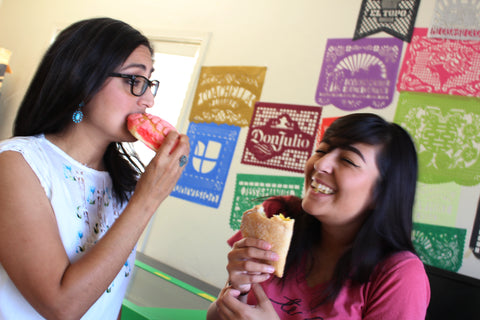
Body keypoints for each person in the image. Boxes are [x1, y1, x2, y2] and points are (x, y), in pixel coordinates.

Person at [0, 17, 190, 319]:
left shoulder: (121, 181)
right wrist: (148, 199)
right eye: (134, 81)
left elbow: (107, 297)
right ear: (83, 81)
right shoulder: (17, 163)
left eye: (150, 83)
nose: (149, 100)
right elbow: (61, 307)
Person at [207, 113, 430, 319]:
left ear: (382, 193)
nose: (321, 164)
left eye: (348, 161)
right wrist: (237, 288)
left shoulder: (400, 276)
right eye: (322, 150)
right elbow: (214, 316)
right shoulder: (279, 216)